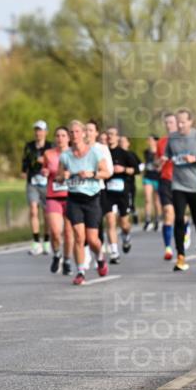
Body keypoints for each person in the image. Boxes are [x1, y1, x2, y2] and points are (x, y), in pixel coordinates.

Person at [58, 120, 111, 285]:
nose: (74, 135)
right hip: (74, 198)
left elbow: (106, 173)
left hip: (92, 199)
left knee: (92, 239)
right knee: (79, 237)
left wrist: (92, 174)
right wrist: (64, 176)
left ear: (83, 133)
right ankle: (80, 271)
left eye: (77, 132)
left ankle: (100, 258)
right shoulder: (65, 155)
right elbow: (59, 177)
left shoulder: (94, 153)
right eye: (71, 133)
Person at [166, 108, 196, 272]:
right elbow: (167, 155)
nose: (179, 125)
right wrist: (164, 160)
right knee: (178, 219)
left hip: (195, 186)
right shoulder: (172, 138)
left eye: (183, 122)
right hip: (178, 185)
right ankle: (180, 256)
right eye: (177, 122)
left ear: (190, 122)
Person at [41, 126, 74, 275]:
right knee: (55, 231)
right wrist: (45, 172)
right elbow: (45, 169)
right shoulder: (48, 153)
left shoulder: (75, 154)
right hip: (53, 196)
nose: (60, 138)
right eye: (58, 135)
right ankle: (56, 254)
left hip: (71, 196)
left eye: (63, 135)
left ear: (68, 138)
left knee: (68, 232)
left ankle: (67, 260)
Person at [103, 126, 136, 263]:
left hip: (123, 191)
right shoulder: (102, 152)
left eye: (113, 134)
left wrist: (123, 169)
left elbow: (134, 170)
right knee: (110, 221)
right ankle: (114, 252)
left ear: (117, 137)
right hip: (107, 192)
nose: (110, 137)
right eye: (108, 134)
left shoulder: (124, 153)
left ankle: (126, 236)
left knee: (124, 224)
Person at [21, 120, 52, 255]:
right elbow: (25, 160)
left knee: (46, 214)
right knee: (33, 210)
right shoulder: (29, 146)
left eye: (40, 130)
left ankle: (46, 241)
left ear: (46, 132)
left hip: (47, 183)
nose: (38, 133)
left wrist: (45, 162)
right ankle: (35, 242)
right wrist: (23, 170)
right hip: (32, 181)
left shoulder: (51, 146)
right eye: (36, 130)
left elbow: (56, 162)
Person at [155, 112, 179, 260]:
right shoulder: (161, 142)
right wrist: (161, 162)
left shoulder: (184, 140)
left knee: (180, 215)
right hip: (165, 180)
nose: (168, 125)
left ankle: (186, 225)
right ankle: (168, 248)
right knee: (167, 212)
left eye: (171, 122)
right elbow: (157, 163)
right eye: (166, 123)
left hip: (181, 181)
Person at [141, 134, 162, 232]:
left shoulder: (160, 152)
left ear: (155, 141)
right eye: (148, 139)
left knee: (157, 200)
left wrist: (158, 165)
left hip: (157, 177)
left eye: (150, 140)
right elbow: (145, 164)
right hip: (148, 177)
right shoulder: (146, 152)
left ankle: (158, 219)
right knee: (147, 199)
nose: (149, 141)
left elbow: (161, 165)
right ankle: (148, 220)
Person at [118, 135, 140, 225]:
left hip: (129, 182)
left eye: (124, 141)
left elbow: (139, 167)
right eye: (120, 141)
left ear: (128, 143)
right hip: (116, 185)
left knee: (130, 203)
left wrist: (126, 170)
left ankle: (133, 212)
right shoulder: (115, 153)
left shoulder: (131, 154)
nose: (122, 143)